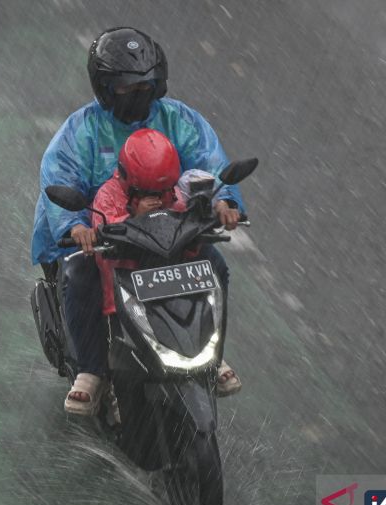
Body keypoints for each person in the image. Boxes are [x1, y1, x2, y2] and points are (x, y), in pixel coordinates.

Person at [30, 27, 245, 414]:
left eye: (145, 85)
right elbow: (59, 178)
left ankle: (210, 355)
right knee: (80, 277)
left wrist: (225, 201)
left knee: (215, 266)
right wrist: (75, 227)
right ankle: (91, 370)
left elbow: (210, 164)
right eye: (128, 87)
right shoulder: (81, 131)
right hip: (103, 237)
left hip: (169, 232)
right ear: (106, 88)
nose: (138, 94)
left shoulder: (180, 120)